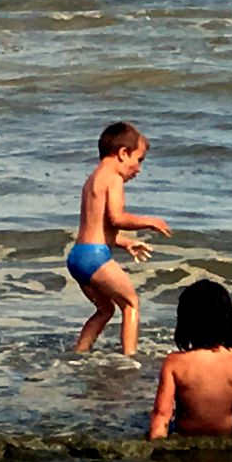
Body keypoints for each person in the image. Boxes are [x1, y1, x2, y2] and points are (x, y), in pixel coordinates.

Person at [68, 121, 173, 356]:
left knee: (105, 310)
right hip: (94, 257)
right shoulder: (113, 178)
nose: (138, 169)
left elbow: (96, 227)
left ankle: (79, 353)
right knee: (131, 304)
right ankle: (130, 358)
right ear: (123, 153)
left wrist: (125, 242)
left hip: (78, 256)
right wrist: (149, 221)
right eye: (139, 160)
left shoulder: (92, 179)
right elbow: (116, 218)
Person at [148, 278, 232, 438]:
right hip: (225, 440)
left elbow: (161, 414)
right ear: (227, 319)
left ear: (185, 322)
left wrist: (156, 447)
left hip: (187, 439)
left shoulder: (175, 363)